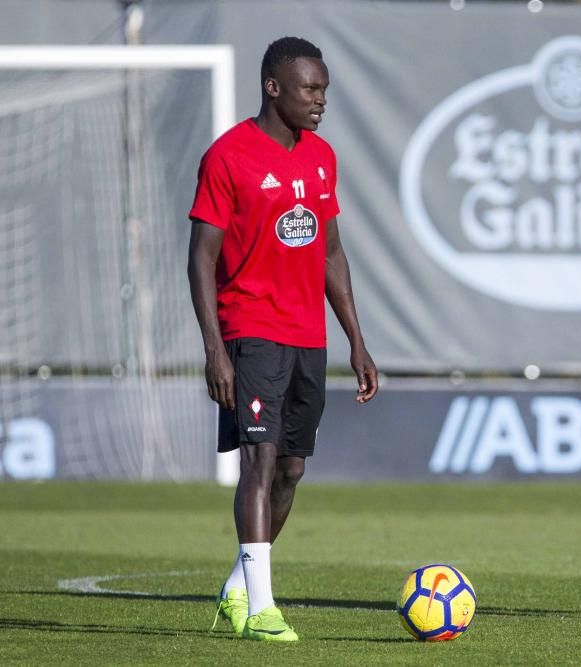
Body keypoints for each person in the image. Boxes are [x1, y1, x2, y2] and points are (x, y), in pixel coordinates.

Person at [187, 36, 378, 642]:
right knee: (260, 461)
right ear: (274, 87)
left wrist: (357, 339)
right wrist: (215, 349)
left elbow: (330, 251)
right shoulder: (228, 157)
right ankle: (263, 607)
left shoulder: (321, 156)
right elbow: (200, 258)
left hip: (307, 338)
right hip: (251, 332)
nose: (321, 100)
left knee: (292, 469)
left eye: (324, 89)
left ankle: (237, 589)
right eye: (310, 89)